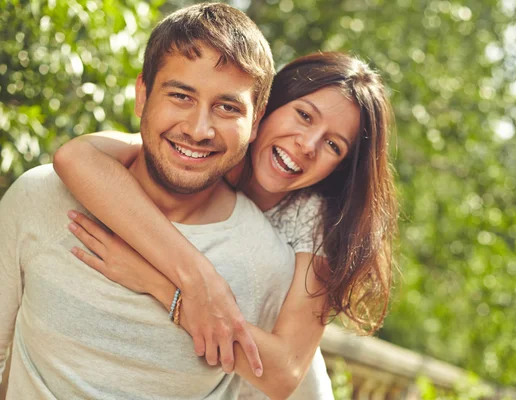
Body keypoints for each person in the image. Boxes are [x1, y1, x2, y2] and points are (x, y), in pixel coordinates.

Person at [0, 3, 306, 399]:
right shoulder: (40, 197)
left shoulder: (268, 265)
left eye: (227, 107)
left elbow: (282, 379)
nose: (198, 129)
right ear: (142, 95)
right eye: (181, 96)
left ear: (256, 123)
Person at [52, 50, 398, 398]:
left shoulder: (315, 220)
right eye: (304, 115)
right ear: (266, 109)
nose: (308, 146)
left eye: (333, 145)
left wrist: (160, 285)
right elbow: (76, 156)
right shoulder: (206, 151)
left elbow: (283, 371)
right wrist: (197, 275)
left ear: (339, 167)